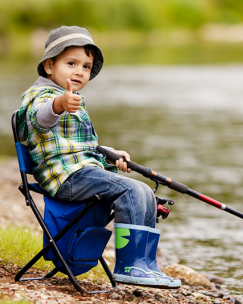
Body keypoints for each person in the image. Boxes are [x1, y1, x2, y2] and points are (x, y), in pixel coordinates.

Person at [16, 26, 180, 289]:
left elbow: (80, 149)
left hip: (80, 172)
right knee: (130, 191)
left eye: (87, 67)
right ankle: (130, 266)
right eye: (71, 63)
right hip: (65, 178)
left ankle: (146, 264)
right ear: (49, 66)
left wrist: (109, 157)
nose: (80, 71)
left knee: (145, 192)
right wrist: (60, 104)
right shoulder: (41, 96)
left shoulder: (75, 100)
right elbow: (40, 117)